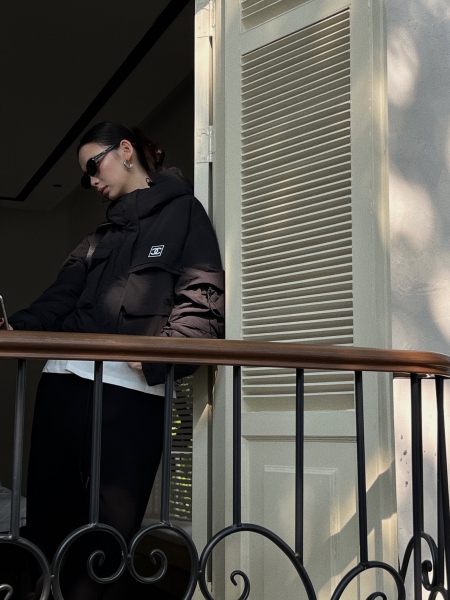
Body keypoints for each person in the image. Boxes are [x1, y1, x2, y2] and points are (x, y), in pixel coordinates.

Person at [2, 122, 224, 599]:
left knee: (107, 540)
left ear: (125, 150)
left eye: (93, 166)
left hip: (131, 398)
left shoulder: (185, 213)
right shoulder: (97, 237)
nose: (91, 181)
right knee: (47, 523)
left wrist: (166, 352)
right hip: (62, 385)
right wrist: (14, 327)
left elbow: (201, 294)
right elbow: (58, 298)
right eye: (85, 176)